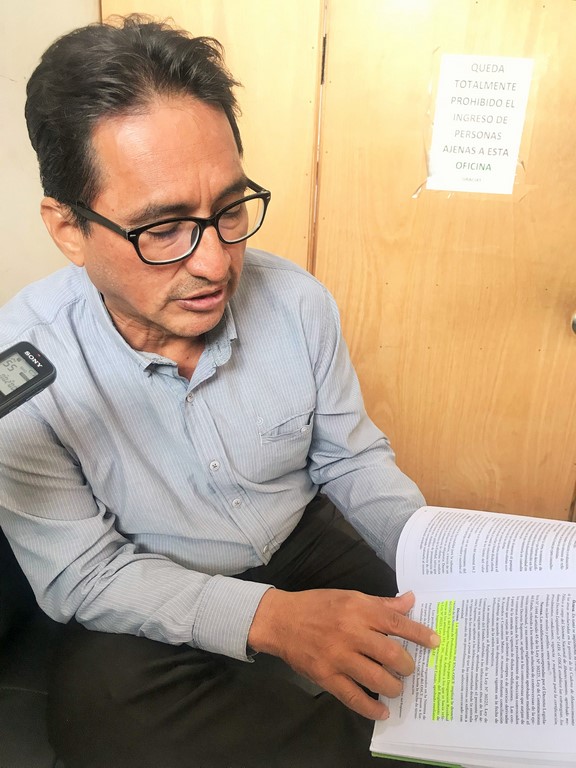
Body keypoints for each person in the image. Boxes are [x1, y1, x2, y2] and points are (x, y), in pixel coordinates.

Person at [0, 15, 439, 768]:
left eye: (230, 210)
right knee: (104, 715)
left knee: (441, 630)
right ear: (68, 228)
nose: (214, 264)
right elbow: (84, 572)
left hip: (300, 540)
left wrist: (439, 553)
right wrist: (272, 620)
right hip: (150, 574)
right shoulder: (23, 375)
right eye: (162, 228)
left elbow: (351, 460)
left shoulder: (296, 302)